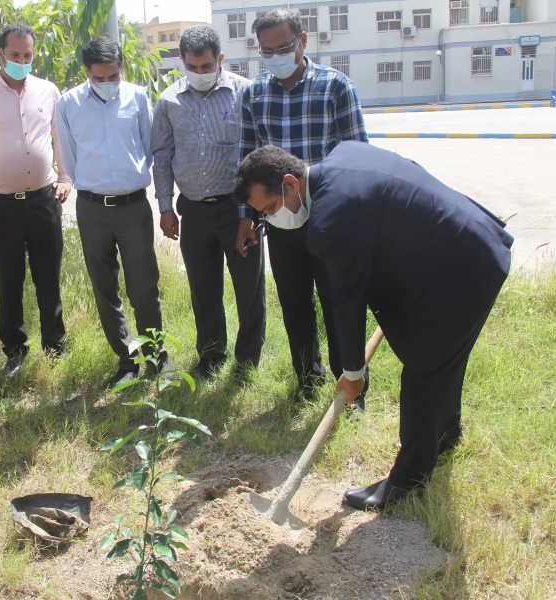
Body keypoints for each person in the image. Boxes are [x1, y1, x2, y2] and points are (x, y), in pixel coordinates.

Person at [234, 142, 514, 510]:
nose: (270, 219)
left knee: (425, 365)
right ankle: (446, 434)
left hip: (463, 264)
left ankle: (407, 481)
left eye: (270, 209)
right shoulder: (344, 157)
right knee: (445, 356)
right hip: (467, 242)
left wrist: (352, 372)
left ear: (290, 183)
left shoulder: (331, 220)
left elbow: (347, 302)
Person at [236, 9, 369, 406]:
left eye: (284, 47)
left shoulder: (335, 87)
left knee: (339, 305)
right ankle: (307, 380)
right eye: (267, 50)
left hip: (328, 219)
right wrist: (246, 217)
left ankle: (352, 386)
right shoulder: (255, 94)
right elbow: (247, 161)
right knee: (294, 303)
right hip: (279, 220)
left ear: (303, 41)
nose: (276, 55)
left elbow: (359, 156)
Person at [151, 25, 266, 379]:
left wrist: (252, 211)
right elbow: (162, 153)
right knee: (203, 287)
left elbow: (257, 151)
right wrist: (166, 206)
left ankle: (247, 361)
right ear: (183, 62)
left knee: (249, 287)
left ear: (219, 59)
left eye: (206, 66)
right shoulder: (170, 101)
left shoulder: (245, 93)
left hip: (238, 210)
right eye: (192, 67)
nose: (200, 73)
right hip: (194, 209)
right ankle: (211, 355)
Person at [56, 37, 166, 387]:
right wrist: (96, 184)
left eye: (113, 75)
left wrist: (127, 180)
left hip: (133, 206)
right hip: (91, 208)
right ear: (86, 72)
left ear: (121, 68)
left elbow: (149, 147)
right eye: (99, 78)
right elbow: (69, 156)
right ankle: (127, 360)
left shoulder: (136, 97)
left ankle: (154, 356)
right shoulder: (68, 104)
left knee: (144, 285)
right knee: (105, 287)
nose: (107, 83)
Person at [0, 23, 72, 378]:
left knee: (48, 276)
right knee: (8, 280)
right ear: (0, 53)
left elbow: (60, 140)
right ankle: (15, 351)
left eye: (27, 55)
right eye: (15, 55)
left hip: (43, 199)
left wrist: (64, 177)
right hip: (1, 204)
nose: (22, 61)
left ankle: (55, 345)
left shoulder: (48, 91)